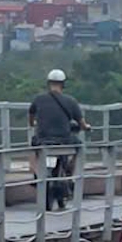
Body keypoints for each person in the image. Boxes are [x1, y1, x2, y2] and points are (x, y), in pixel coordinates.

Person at [26, 68, 87, 210]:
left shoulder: (39, 99)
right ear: (63, 84)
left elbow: (31, 116)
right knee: (79, 148)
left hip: (43, 139)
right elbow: (82, 124)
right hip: (64, 139)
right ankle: (70, 173)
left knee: (33, 148)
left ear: (49, 83)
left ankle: (35, 173)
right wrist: (86, 127)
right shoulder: (71, 101)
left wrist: (32, 124)